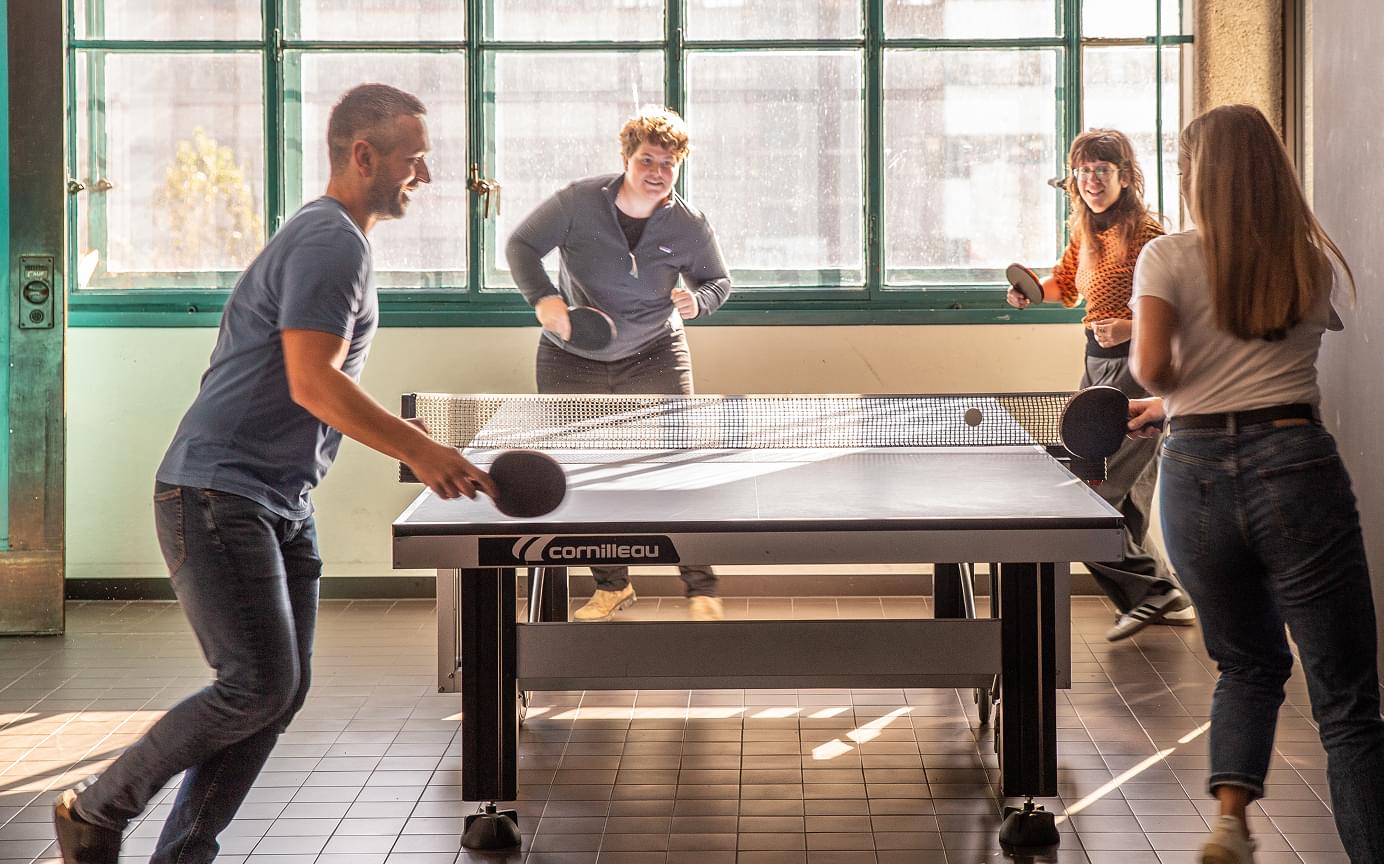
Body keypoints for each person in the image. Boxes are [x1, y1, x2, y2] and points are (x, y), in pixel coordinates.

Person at [52, 84, 495, 864]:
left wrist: (402, 435)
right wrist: (414, 451)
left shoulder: (332, 238)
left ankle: (183, 852)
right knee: (255, 684)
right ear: (364, 155)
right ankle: (98, 809)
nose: (422, 177)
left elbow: (311, 385)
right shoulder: (332, 243)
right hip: (220, 493)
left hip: (273, 499)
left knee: (276, 692)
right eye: (413, 160)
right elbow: (312, 381)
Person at [1127, 103, 1384, 864]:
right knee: (1347, 705)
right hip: (1294, 464)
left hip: (1195, 474)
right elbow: (1258, 360)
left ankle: (1232, 821)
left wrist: (1164, 389)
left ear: (1198, 176)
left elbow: (1153, 366)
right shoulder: (1305, 259)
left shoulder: (1166, 257)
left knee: (1247, 662)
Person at [506, 105, 732, 622]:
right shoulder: (577, 202)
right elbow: (521, 244)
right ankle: (613, 586)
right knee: (586, 473)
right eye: (648, 159)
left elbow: (719, 281)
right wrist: (543, 297)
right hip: (570, 357)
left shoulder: (689, 224)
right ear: (627, 158)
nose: (657, 172)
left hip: (655, 352)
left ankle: (700, 586)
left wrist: (700, 302)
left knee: (680, 466)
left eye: (669, 163)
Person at [1006, 128, 1194, 641]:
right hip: (1095, 367)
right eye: (1083, 170)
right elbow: (1064, 284)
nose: (1091, 179)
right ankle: (1160, 595)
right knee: (1125, 496)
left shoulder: (1149, 237)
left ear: (1126, 177)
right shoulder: (1086, 232)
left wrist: (1131, 327)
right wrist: (1028, 292)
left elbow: (1184, 312)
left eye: (1102, 170)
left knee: (1090, 494)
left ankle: (1153, 590)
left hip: (1137, 371)